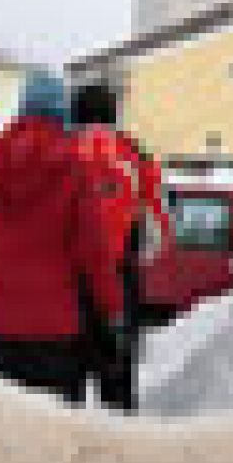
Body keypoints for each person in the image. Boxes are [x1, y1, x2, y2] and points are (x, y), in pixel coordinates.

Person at [0, 71, 125, 405]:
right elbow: (93, 254)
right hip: (56, 329)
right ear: (60, 112)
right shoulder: (74, 168)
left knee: (1, 427)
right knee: (53, 432)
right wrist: (111, 311)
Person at [70, 82, 173, 413]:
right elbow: (157, 231)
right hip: (119, 281)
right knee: (117, 381)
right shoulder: (137, 156)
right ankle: (118, 448)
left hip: (68, 282)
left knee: (65, 383)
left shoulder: (61, 151)